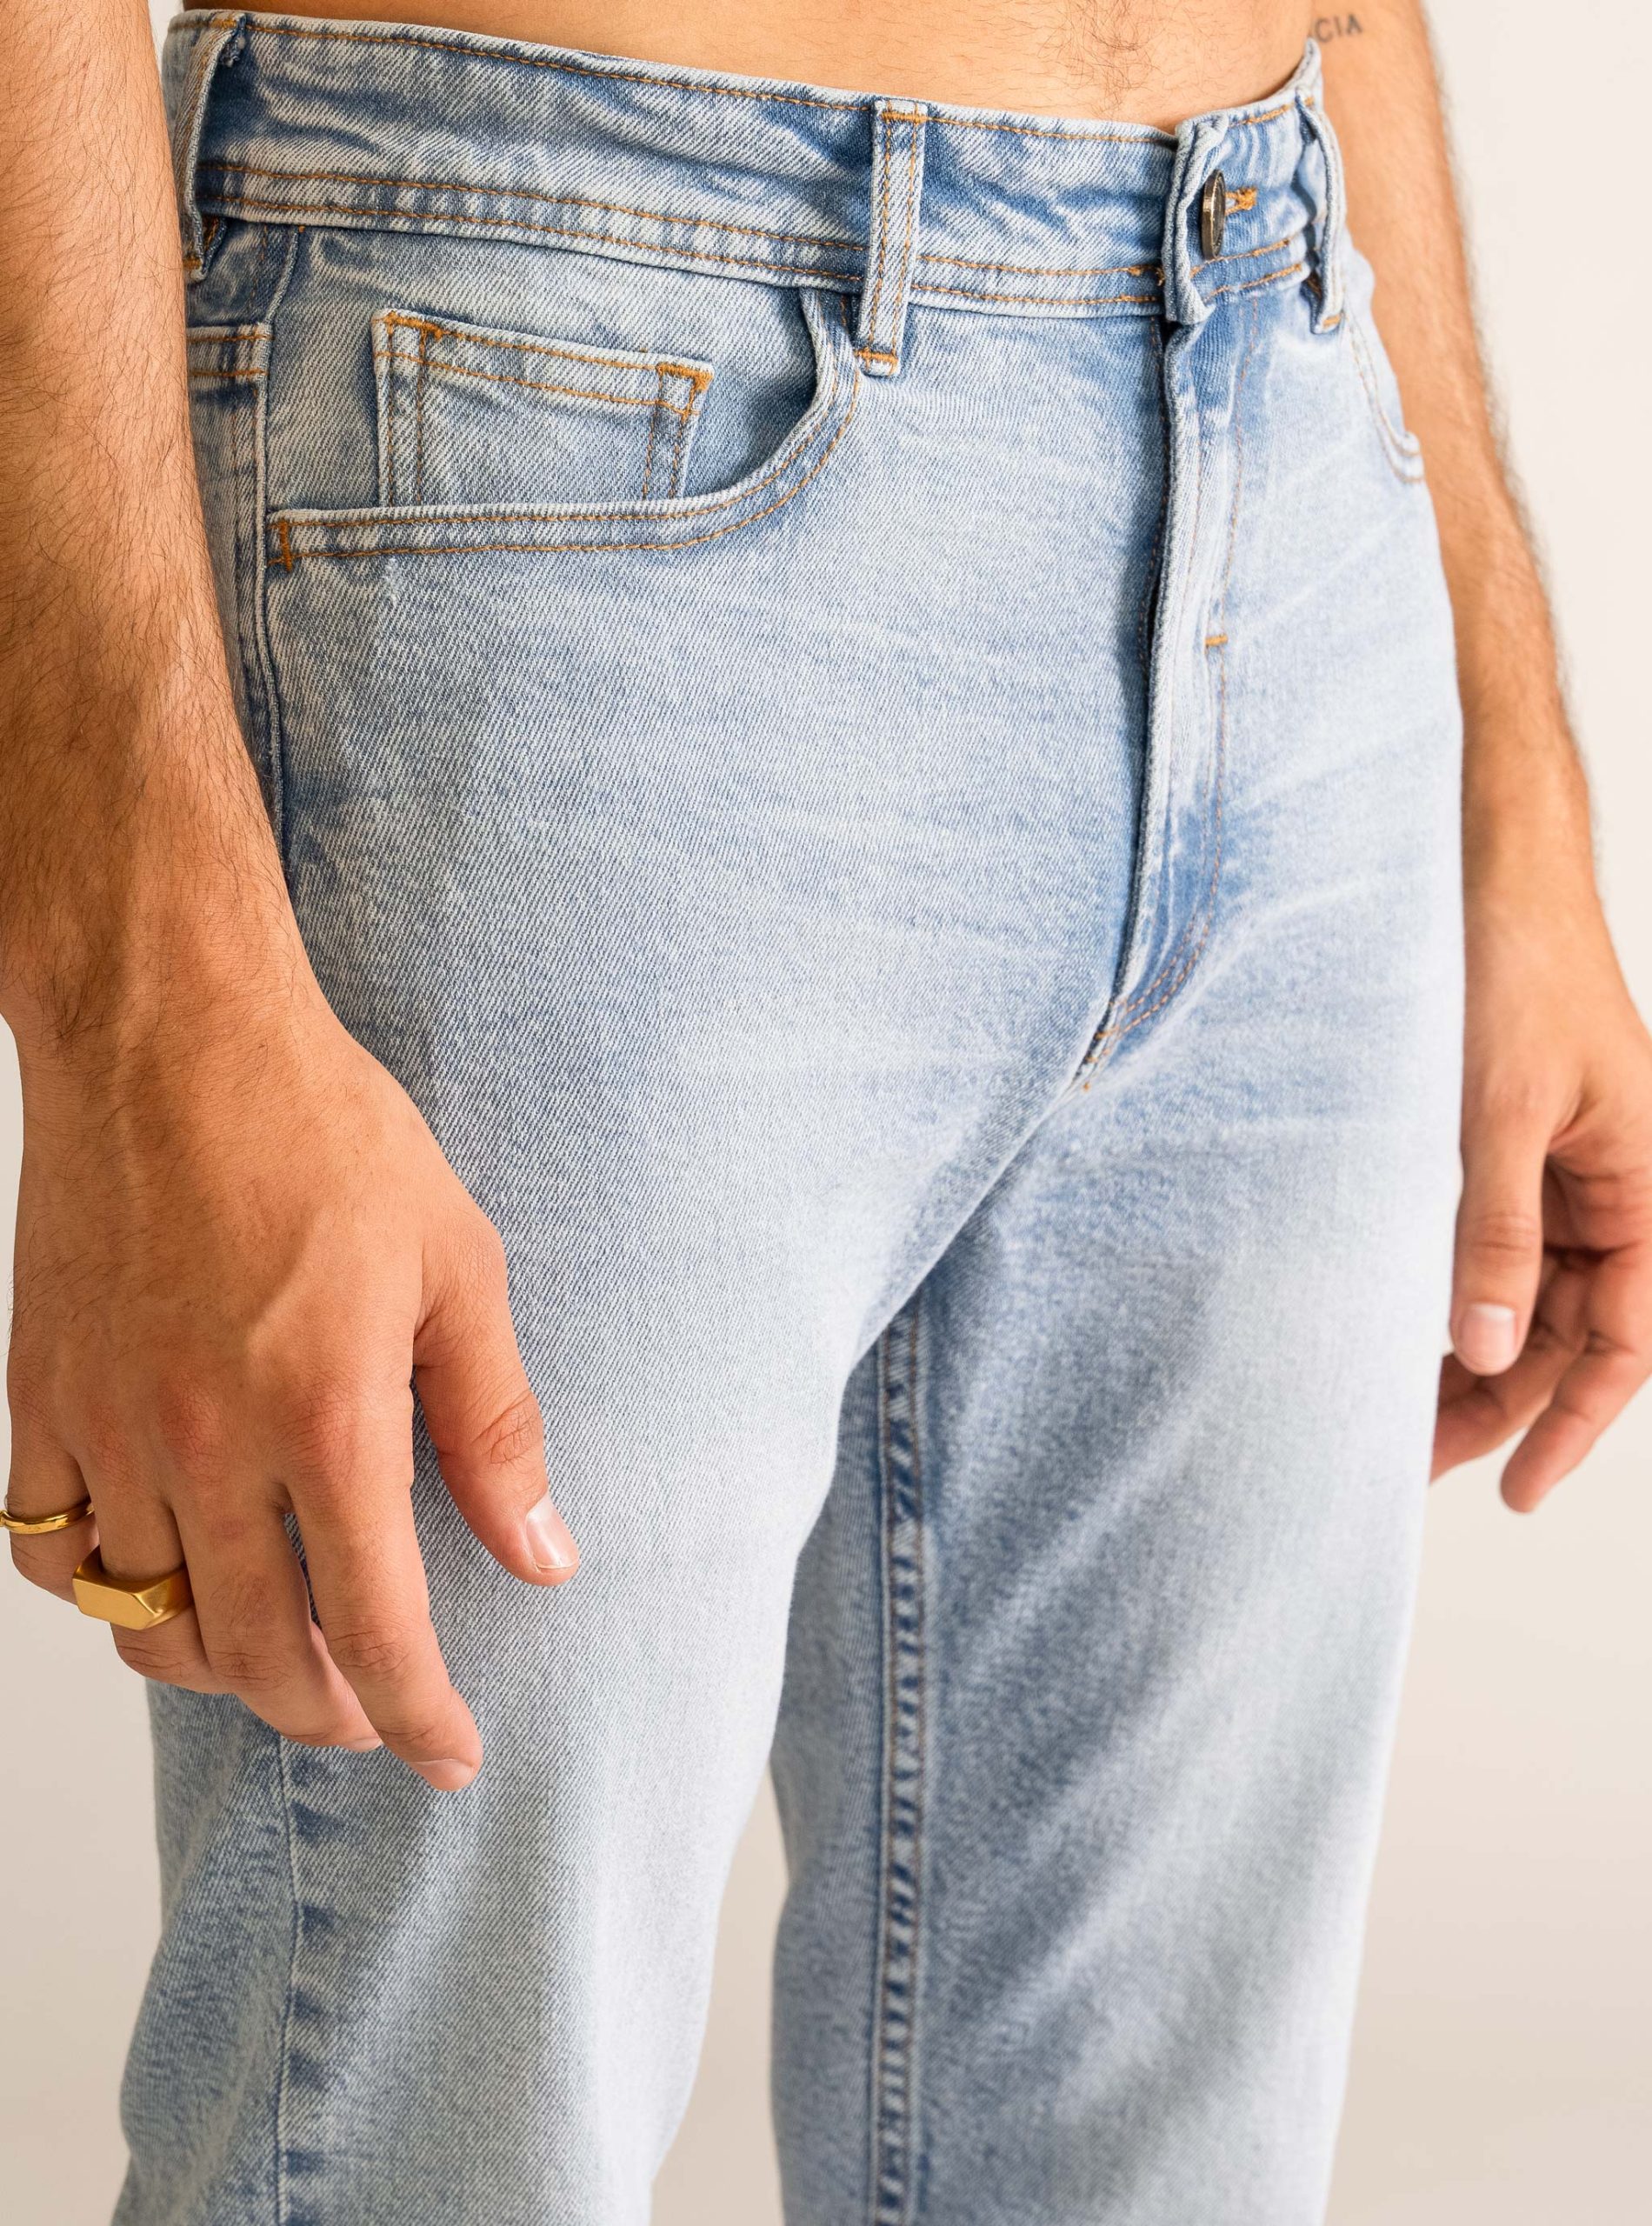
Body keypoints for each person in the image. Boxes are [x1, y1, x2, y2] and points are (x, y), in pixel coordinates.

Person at [2, 1, 1647, 2219]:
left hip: (1283, 394)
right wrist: (135, 996)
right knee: (437, 2148)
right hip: (568, 388)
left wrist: (1509, 785)